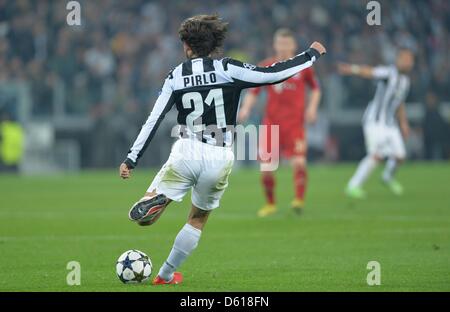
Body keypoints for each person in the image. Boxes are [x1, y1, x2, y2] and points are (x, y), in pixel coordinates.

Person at [119, 14, 326, 285]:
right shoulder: (228, 68)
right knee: (198, 218)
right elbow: (273, 74)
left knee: (146, 217)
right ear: (215, 43)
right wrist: (311, 54)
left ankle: (156, 199)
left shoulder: (176, 75)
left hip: (187, 149)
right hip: (219, 155)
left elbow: (154, 119)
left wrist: (131, 158)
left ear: (187, 46)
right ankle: (166, 274)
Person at [238, 28, 322, 216]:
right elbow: (254, 91)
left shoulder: (304, 66)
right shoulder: (268, 65)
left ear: (293, 46)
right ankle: (270, 204)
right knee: (266, 169)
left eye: (286, 44)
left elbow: (316, 89)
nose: (283, 47)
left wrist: (312, 108)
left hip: (294, 125)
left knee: (299, 162)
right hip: (271, 125)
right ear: (275, 45)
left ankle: (298, 200)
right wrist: (245, 108)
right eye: (280, 43)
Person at [338, 48, 414, 198]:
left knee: (400, 156)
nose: (408, 62)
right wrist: (352, 69)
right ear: (397, 60)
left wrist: (404, 123)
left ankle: (387, 177)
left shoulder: (406, 82)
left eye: (410, 60)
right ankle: (352, 186)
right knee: (376, 155)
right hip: (374, 121)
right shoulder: (388, 73)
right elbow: (370, 72)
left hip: (390, 123)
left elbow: (399, 103)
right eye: (405, 59)